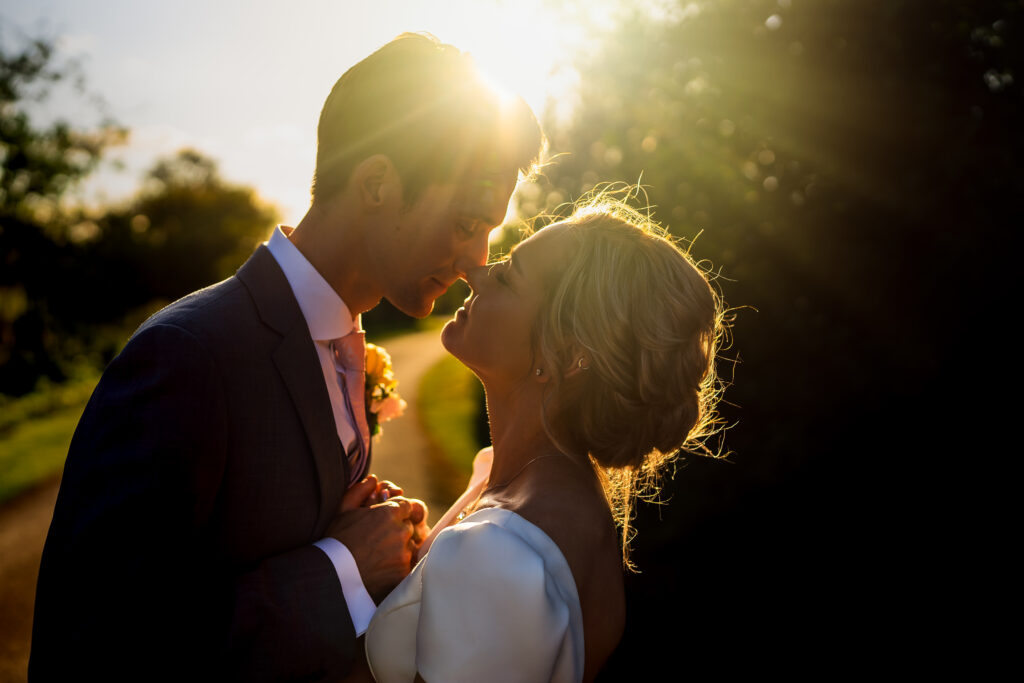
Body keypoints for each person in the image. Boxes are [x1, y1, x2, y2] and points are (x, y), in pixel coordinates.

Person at [29, 33, 543, 681]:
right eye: (468, 222)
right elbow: (92, 648)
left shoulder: (340, 343)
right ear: (378, 182)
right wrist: (340, 567)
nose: (477, 259)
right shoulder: (189, 357)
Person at [363, 197, 726, 683]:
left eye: (509, 276)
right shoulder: (517, 484)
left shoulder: (502, 549)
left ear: (569, 353)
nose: (476, 270)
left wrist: (345, 576)